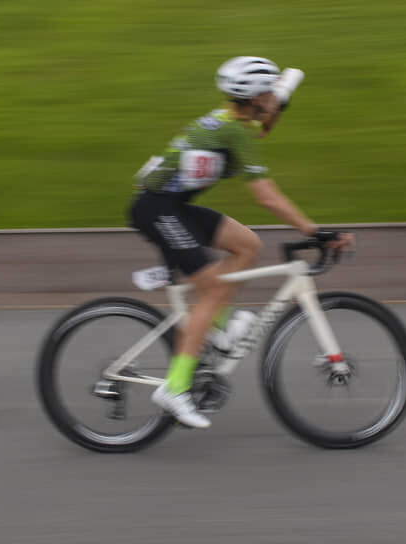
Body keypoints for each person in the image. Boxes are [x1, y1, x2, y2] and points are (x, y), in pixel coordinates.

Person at [129, 56, 354, 428]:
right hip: (157, 210)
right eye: (267, 93)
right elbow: (267, 197)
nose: (273, 99)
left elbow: (276, 100)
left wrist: (277, 103)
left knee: (247, 244)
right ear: (252, 98)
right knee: (214, 289)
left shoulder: (235, 118)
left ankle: (215, 331)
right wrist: (314, 232)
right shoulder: (234, 132)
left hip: (171, 206)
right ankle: (175, 387)